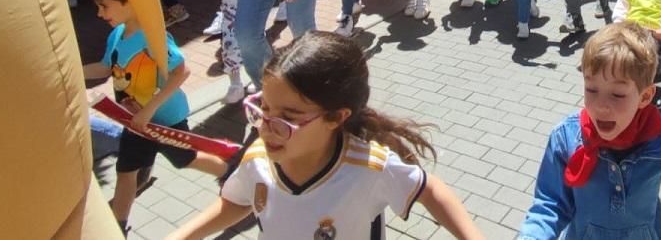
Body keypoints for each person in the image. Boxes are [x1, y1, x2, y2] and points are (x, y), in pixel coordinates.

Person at [168, 32, 481, 240]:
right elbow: (238, 202)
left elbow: (429, 189)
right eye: (263, 107)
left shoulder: (368, 167)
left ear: (336, 117)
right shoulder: (258, 159)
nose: (265, 127)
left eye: (288, 119)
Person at [519, 22, 661, 240]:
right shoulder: (567, 139)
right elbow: (550, 204)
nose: (601, 106)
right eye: (591, 89)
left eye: (617, 95)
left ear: (645, 97)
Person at [83, 0, 227, 234]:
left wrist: (149, 110)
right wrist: (75, 71)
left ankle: (231, 170)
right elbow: (105, 67)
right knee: (126, 171)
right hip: (134, 122)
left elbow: (181, 70)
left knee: (185, 158)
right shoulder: (116, 35)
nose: (99, 13)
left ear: (130, 3)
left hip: (165, 118)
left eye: (104, 5)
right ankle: (119, 228)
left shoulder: (153, 36)